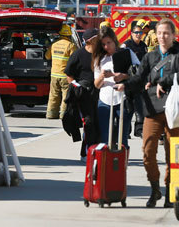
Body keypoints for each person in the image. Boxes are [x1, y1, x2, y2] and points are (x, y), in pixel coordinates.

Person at [127, 18, 179, 208]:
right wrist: (123, 84)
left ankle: (170, 191)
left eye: (166, 33)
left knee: (173, 154)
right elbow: (139, 78)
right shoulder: (150, 56)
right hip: (152, 109)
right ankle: (155, 189)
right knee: (147, 151)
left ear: (173, 35)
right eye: (159, 33)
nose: (162, 36)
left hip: (175, 110)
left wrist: (164, 81)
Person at [93, 27, 137, 148]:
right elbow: (96, 85)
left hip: (123, 99)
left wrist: (123, 76)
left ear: (114, 40)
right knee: (105, 137)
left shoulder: (127, 52)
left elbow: (139, 73)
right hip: (104, 100)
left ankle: (122, 164)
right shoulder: (99, 58)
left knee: (122, 138)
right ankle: (106, 164)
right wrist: (102, 76)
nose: (107, 47)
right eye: (103, 44)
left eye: (109, 43)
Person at [65, 28, 100, 160]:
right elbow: (69, 74)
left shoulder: (100, 54)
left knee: (98, 122)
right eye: (97, 38)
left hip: (98, 92)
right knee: (88, 123)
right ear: (90, 41)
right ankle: (85, 153)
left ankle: (96, 149)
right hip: (83, 93)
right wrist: (76, 86)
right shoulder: (78, 54)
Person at [46, 24, 78, 119]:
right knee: (65, 95)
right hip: (65, 76)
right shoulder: (71, 45)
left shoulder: (54, 44)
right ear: (69, 35)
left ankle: (51, 114)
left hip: (54, 75)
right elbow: (75, 60)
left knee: (53, 95)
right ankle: (63, 115)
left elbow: (47, 57)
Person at [122, 23, 148, 137]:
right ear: (131, 34)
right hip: (128, 79)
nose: (138, 35)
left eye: (140, 33)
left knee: (140, 106)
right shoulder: (126, 45)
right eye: (136, 33)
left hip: (140, 80)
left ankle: (139, 130)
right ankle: (126, 131)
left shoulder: (143, 45)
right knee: (128, 107)